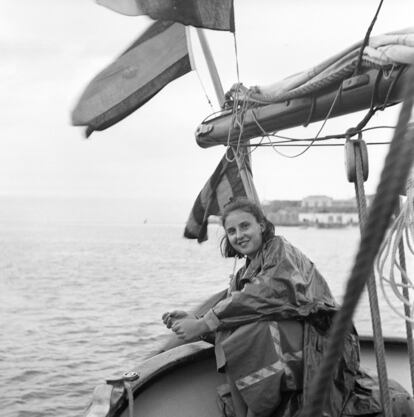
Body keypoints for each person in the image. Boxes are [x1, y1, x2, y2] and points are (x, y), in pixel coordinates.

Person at [162, 198, 361, 417]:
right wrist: (194, 318)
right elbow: (231, 315)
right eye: (232, 231)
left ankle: (257, 411)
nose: (239, 235)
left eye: (245, 226)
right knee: (227, 335)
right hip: (294, 339)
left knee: (252, 334)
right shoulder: (243, 275)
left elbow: (265, 293)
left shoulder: (280, 251)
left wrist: (202, 323)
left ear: (262, 226)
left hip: (323, 336)